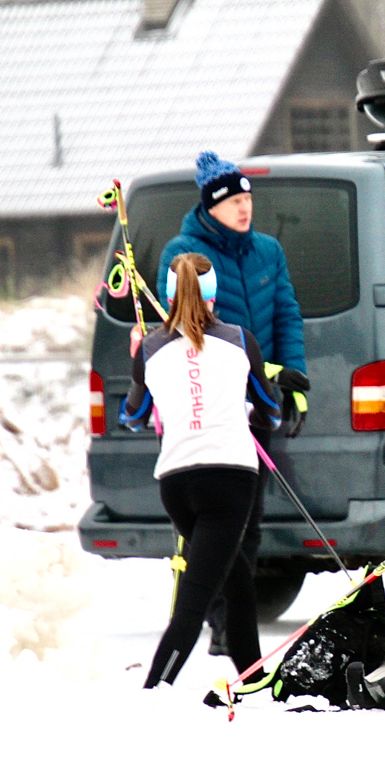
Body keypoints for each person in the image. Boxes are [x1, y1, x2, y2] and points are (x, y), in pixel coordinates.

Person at [156, 151, 309, 656]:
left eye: (249, 199)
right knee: (209, 525)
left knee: (248, 518)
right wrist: (260, 371)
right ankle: (217, 620)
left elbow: (286, 314)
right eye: (235, 201)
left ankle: (229, 622)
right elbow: (182, 328)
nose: (246, 209)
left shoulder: (268, 250)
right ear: (212, 207)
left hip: (256, 405)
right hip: (206, 403)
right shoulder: (185, 256)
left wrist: (295, 382)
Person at [122, 253, 283, 688]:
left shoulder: (151, 348)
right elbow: (271, 412)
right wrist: (261, 396)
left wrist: (139, 360)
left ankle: (255, 678)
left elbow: (133, 416)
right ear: (214, 295)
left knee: (236, 583)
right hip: (230, 480)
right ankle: (156, 689)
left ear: (169, 295)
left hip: (177, 483)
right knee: (196, 599)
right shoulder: (239, 340)